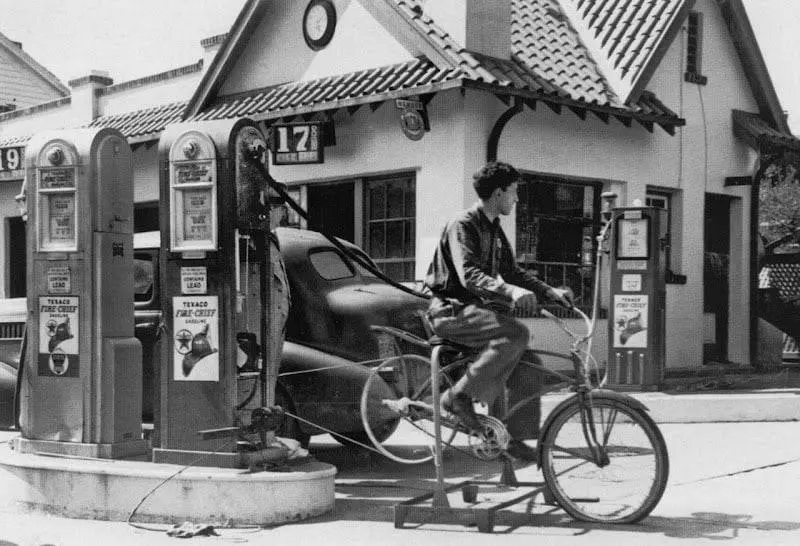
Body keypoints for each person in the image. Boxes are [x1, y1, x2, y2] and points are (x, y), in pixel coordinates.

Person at [424, 161, 572, 461]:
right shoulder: (463, 224)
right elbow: (470, 275)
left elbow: (513, 272)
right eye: (514, 192)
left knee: (530, 363)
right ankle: (456, 397)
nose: (516, 199)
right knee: (516, 331)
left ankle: (512, 438)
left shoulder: (493, 227)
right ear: (499, 192)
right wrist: (511, 292)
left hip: (474, 312)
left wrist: (548, 291)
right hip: (450, 311)